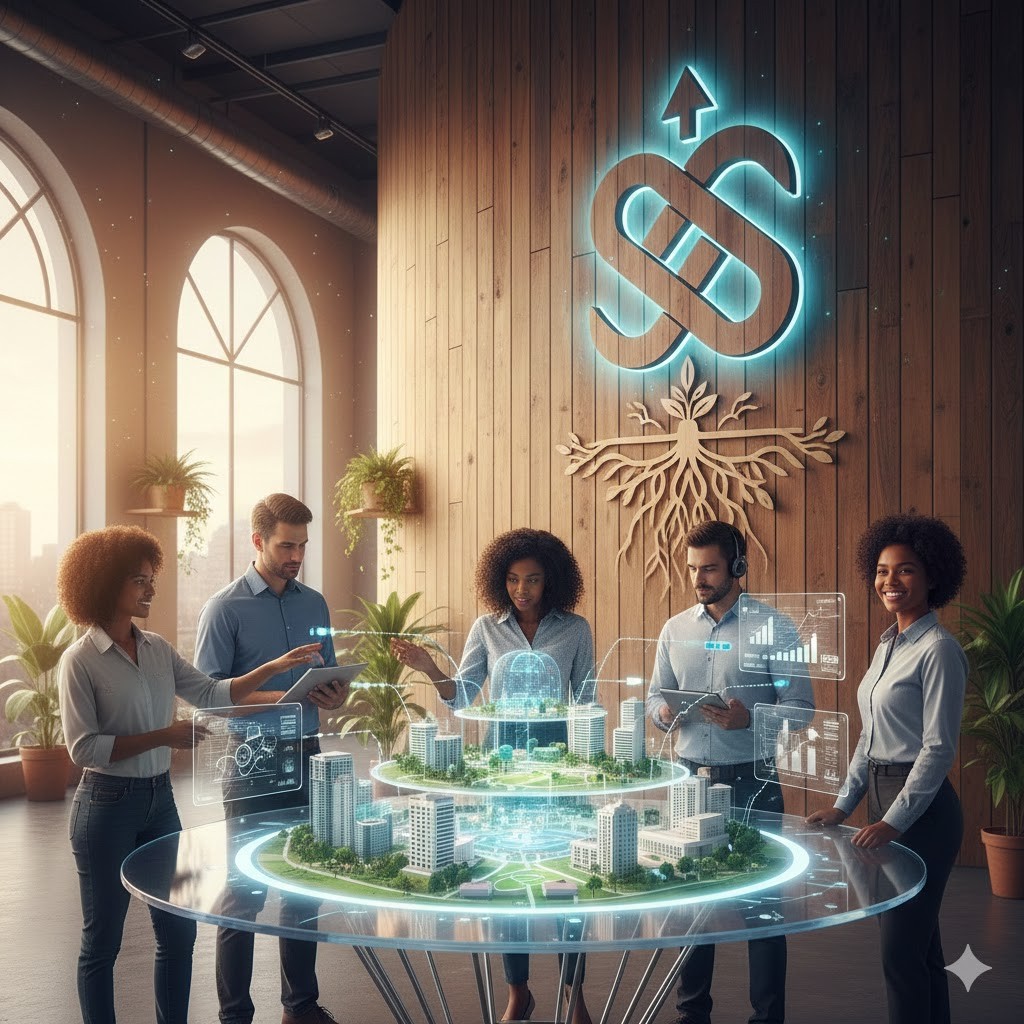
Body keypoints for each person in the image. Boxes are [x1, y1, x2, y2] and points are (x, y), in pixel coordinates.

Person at [57, 524, 323, 1024]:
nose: (151, 589)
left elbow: (212, 693)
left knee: (178, 934)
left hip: (160, 803)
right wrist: (164, 736)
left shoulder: (156, 648)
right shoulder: (80, 661)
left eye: (151, 578)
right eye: (140, 580)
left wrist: (277, 670)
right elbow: (83, 749)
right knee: (103, 942)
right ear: (104, 583)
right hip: (105, 807)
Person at [392, 527, 594, 1024]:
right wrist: (426, 666)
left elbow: (587, 701)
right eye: (512, 579)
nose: (522, 589)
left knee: (567, 874)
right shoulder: (487, 627)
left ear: (552, 581)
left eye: (532, 580)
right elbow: (461, 695)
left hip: (556, 767)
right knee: (505, 872)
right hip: (500, 769)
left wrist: (589, 763)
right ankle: (518, 992)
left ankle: (574, 992)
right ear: (499, 581)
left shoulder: (576, 628)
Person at [645, 520, 813, 1024]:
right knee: (690, 899)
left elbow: (801, 707)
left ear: (738, 566)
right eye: (693, 569)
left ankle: (767, 1018)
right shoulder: (674, 629)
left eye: (710, 568)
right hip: (689, 779)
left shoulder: (776, 628)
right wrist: (662, 714)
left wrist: (752, 718)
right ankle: (692, 1013)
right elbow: (656, 695)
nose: (698, 579)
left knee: (762, 906)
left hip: (752, 781)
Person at [194, 494, 350, 1024]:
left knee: (302, 883)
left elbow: (327, 678)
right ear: (258, 541)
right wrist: (286, 698)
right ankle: (234, 1015)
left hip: (309, 753)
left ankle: (300, 1007)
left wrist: (333, 694)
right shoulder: (224, 608)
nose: (296, 556)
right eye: (286, 545)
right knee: (244, 892)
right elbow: (208, 695)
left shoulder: (315, 603)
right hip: (254, 758)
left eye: (303, 545)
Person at [806, 513, 967, 1024]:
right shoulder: (886, 645)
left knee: (900, 953)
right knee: (919, 948)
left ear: (933, 577)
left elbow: (937, 750)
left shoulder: (939, 650)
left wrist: (894, 821)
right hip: (880, 797)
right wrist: (842, 805)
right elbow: (868, 738)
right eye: (881, 570)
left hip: (922, 811)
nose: (890, 582)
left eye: (905, 570)